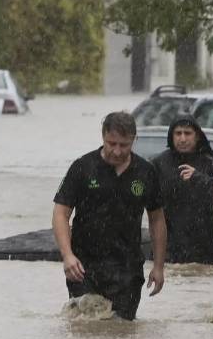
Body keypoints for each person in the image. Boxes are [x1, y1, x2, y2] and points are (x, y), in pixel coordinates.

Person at [53, 111, 167, 321]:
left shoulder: (145, 172)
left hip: (128, 267)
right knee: (86, 329)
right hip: (84, 266)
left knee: (121, 330)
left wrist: (158, 266)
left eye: (124, 145)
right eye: (111, 143)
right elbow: (61, 213)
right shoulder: (83, 167)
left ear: (134, 139)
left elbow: (157, 219)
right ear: (103, 136)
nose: (116, 151)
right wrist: (67, 255)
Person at [150, 116, 213, 265]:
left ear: (197, 136)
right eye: (178, 133)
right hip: (167, 249)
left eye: (187, 133)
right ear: (171, 136)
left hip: (203, 250)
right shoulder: (158, 164)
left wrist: (200, 179)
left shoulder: (211, 164)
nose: (182, 139)